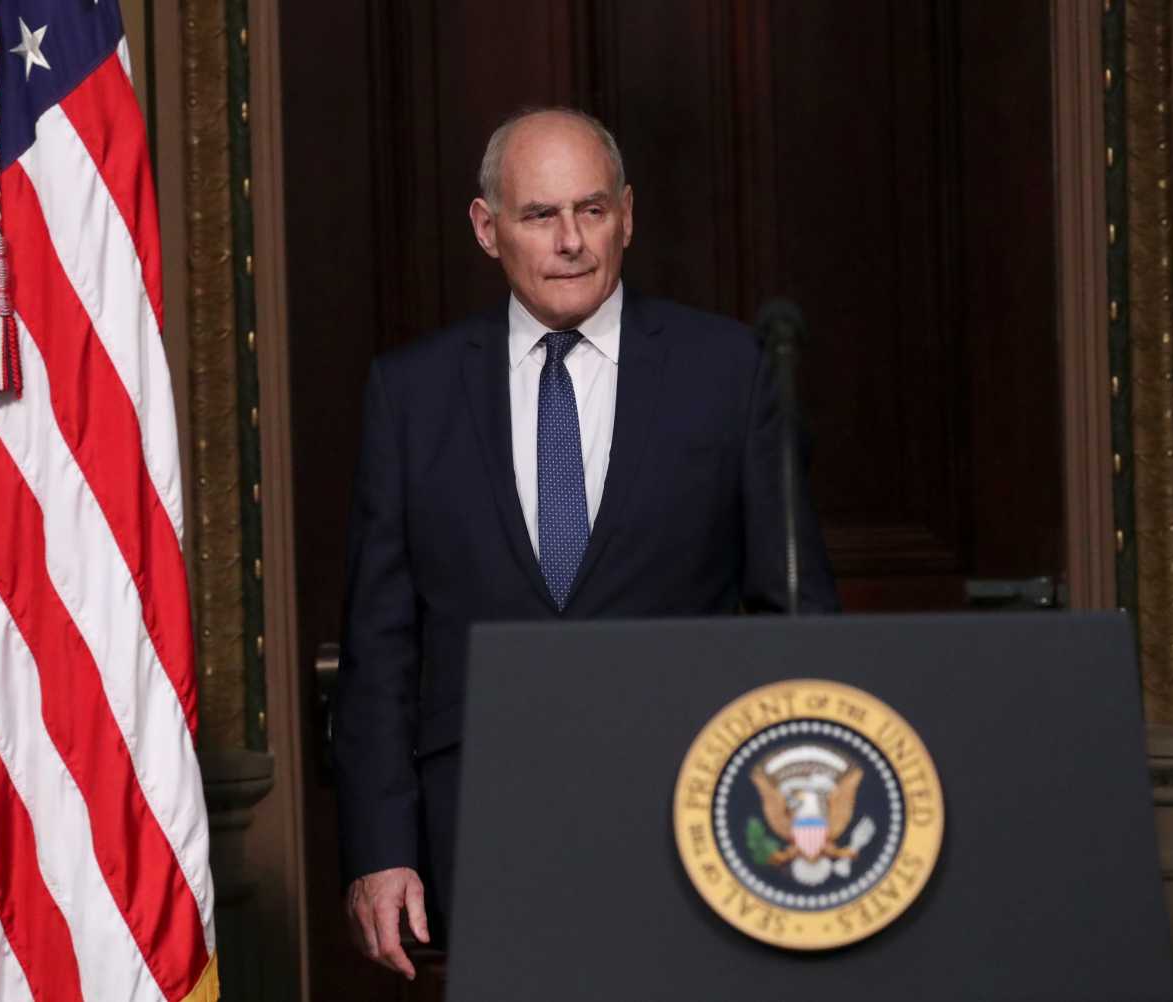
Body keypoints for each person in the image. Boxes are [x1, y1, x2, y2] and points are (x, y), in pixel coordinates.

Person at [335, 107, 839, 979]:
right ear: (487, 228)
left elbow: (797, 620)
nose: (570, 241)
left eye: (592, 210)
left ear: (627, 216)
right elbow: (379, 647)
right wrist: (381, 849)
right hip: (476, 837)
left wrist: (799, 824)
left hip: (691, 828)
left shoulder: (728, 372)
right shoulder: (411, 395)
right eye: (540, 215)